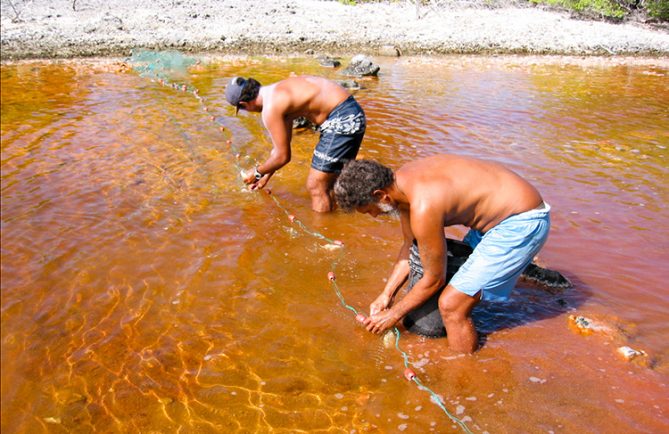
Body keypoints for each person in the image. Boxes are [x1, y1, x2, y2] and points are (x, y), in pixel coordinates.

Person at [333, 154, 551, 353]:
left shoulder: (423, 205)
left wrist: (393, 315)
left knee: (452, 304)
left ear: (381, 196)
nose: (374, 216)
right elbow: (411, 246)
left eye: (370, 211)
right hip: (500, 216)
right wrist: (386, 295)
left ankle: (462, 376)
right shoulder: (402, 183)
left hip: (522, 221)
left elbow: (434, 279)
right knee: (462, 287)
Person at [225, 75, 366, 212]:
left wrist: (256, 172)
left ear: (244, 104)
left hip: (342, 118)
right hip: (352, 112)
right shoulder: (276, 92)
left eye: (242, 109)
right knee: (329, 182)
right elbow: (280, 149)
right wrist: (264, 176)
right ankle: (338, 223)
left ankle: (322, 231)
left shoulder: (270, 108)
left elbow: (283, 157)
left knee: (316, 185)